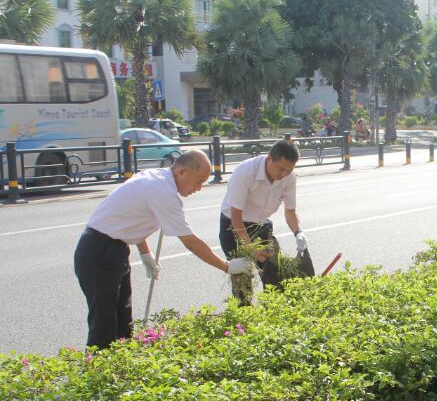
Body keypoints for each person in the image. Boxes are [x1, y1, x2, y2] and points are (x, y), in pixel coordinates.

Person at [74, 151, 252, 350]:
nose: (200, 188)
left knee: (123, 319)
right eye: (199, 181)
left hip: (114, 250)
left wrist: (144, 253)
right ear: (183, 171)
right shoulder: (163, 191)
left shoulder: (157, 178)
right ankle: (96, 373)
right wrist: (226, 266)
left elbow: (132, 218)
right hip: (99, 252)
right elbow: (189, 240)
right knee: (104, 322)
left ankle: (120, 371)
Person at [218, 140, 308, 302]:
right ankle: (243, 318)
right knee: (243, 280)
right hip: (234, 228)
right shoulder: (245, 172)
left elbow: (290, 211)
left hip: (261, 225)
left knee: (275, 274)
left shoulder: (289, 178)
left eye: (289, 170)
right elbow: (236, 218)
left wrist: (298, 232)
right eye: (281, 169)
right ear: (269, 159)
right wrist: (250, 249)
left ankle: (275, 314)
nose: (284, 174)